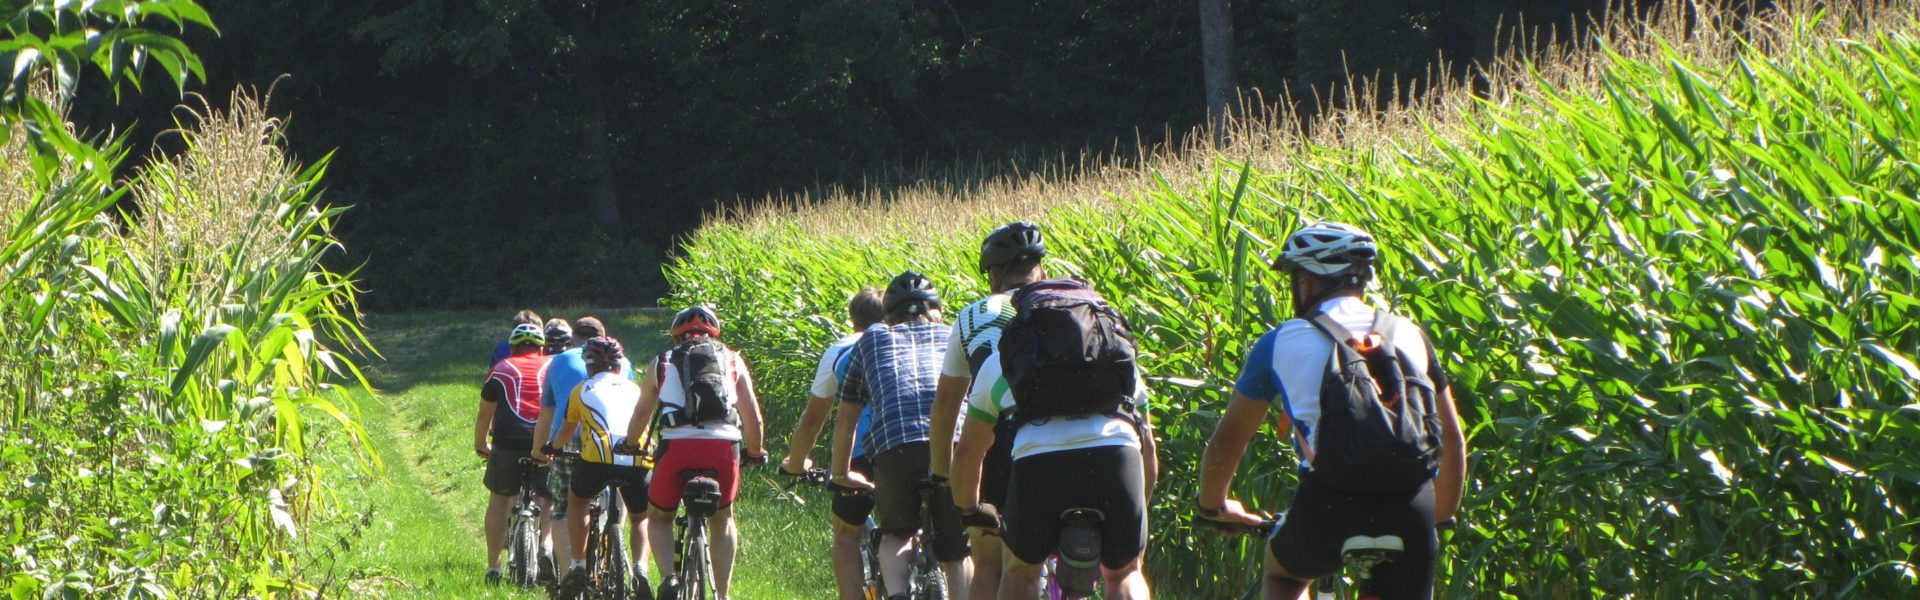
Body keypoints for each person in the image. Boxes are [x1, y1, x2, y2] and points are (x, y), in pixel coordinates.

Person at [1195, 222, 1468, 600]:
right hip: (1412, 505)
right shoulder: (1410, 335)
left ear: (1306, 282)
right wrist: (1439, 517)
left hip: (1328, 504)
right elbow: (1452, 439)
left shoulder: (1280, 341)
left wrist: (1214, 506)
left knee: (1285, 577)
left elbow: (1230, 439)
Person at [950, 344, 1158, 599]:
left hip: (1039, 467)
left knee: (1021, 574)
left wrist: (969, 510)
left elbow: (969, 452)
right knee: (1125, 574)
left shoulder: (1002, 362)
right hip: (1115, 457)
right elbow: (1148, 448)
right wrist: (1135, 513)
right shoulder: (1118, 355)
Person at [832, 272, 972, 600]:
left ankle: (896, 594)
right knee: (956, 550)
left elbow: (846, 419)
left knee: (897, 533)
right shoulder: (954, 335)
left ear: (888, 314)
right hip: (951, 445)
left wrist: (840, 474)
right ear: (935, 310)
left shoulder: (872, 339)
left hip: (894, 446)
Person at [927, 221, 1047, 600]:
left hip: (996, 443)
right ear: (1042, 268)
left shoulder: (975, 314)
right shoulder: (1068, 305)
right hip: (1073, 443)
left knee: (991, 564)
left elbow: (947, 404)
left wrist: (944, 475)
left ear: (994, 273)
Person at [623, 306, 767, 600]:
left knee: (660, 516)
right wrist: (755, 450)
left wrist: (629, 443)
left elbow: (641, 413)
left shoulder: (661, 362)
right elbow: (752, 416)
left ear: (677, 336)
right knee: (723, 518)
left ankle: (668, 580)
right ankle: (723, 594)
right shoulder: (732, 359)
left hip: (677, 447)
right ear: (714, 334)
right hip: (723, 447)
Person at [779, 288, 887, 600]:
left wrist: (795, 463)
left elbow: (813, 419)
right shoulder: (907, 341)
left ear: (853, 320)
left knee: (845, 535)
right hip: (920, 445)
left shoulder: (841, 349)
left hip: (863, 452)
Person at [543, 336, 653, 598]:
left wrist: (553, 447)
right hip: (638, 459)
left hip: (597, 460)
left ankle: (578, 566)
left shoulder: (582, 390)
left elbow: (566, 431)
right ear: (618, 365)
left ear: (589, 367)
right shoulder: (635, 389)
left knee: (578, 502)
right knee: (640, 517)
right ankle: (641, 571)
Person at [531, 316, 637, 579]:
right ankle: (615, 535)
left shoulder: (560, 360)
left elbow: (548, 411)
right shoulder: (624, 364)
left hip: (573, 435)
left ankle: (570, 573)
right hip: (620, 439)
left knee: (564, 506)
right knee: (621, 488)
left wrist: (540, 450)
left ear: (574, 339)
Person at [474, 323, 553, 585]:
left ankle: (493, 567)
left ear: (513, 347)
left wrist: (481, 444)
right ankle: (545, 547)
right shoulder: (552, 367)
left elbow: (485, 413)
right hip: (544, 442)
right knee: (548, 496)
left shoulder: (500, 369)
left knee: (499, 499)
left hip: (507, 440)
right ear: (542, 347)